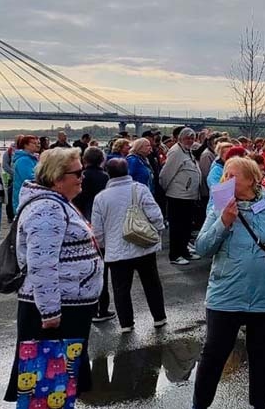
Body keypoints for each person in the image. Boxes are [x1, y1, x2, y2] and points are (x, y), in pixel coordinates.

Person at [186, 157, 265, 409]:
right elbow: (202, 248)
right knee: (213, 355)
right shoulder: (219, 206)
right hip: (226, 295)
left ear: (252, 180)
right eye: (224, 175)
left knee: (261, 356)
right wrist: (224, 221)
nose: (226, 181)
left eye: (233, 176)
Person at [3, 148, 104, 409]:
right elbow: (42, 264)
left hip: (68, 302)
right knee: (48, 366)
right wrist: (50, 311)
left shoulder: (57, 202)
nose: (82, 178)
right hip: (53, 306)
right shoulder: (47, 209)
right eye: (77, 174)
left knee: (58, 367)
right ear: (58, 178)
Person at [92, 158, 167, 334]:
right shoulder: (140, 189)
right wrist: (158, 232)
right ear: (127, 171)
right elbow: (155, 215)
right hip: (143, 245)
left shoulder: (101, 197)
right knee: (152, 283)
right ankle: (159, 317)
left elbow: (97, 230)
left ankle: (126, 323)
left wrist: (104, 245)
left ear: (108, 172)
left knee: (121, 289)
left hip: (116, 250)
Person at [73, 146, 115, 323]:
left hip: (81, 223)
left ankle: (86, 306)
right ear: (101, 161)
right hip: (99, 225)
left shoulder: (79, 177)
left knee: (83, 269)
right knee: (101, 270)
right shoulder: (105, 178)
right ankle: (101, 308)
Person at [160, 128, 202, 266]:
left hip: (189, 196)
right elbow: (166, 174)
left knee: (186, 226)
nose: (190, 141)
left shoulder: (188, 151)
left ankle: (184, 251)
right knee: (177, 227)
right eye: (187, 138)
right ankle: (175, 254)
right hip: (178, 196)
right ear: (180, 139)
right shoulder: (176, 152)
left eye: (192, 138)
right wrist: (169, 190)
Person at [12, 134, 40, 213]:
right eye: (34, 143)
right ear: (26, 145)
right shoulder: (23, 160)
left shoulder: (32, 158)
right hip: (24, 196)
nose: (37, 145)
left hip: (31, 195)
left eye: (37, 143)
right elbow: (29, 178)